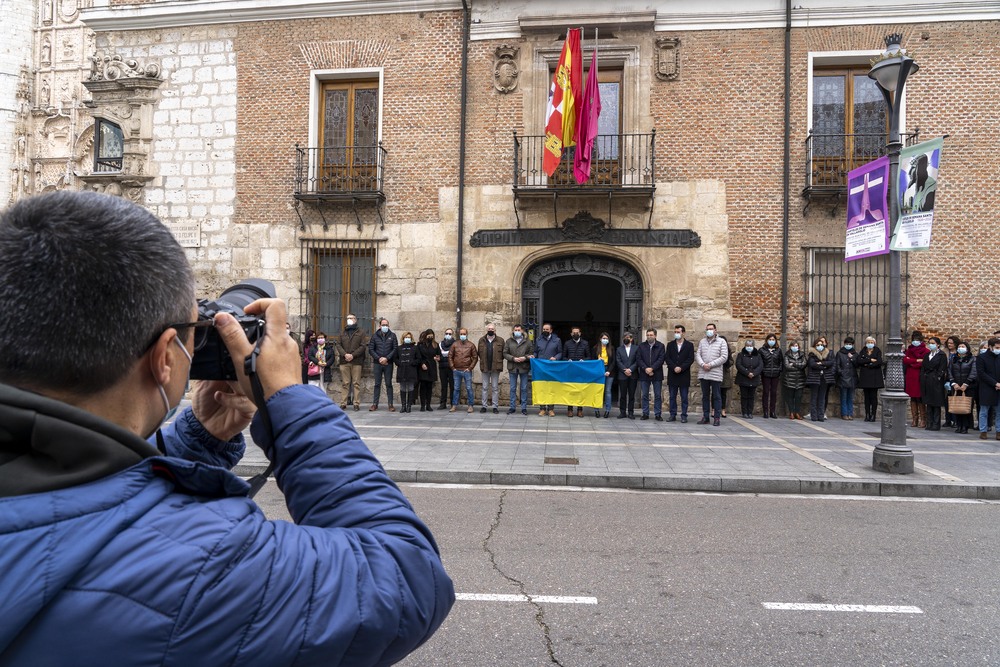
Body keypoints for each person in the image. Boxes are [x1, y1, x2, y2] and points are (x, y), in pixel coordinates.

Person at [0, 191, 453, 663]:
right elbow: (406, 576)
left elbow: (76, 494)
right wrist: (291, 402)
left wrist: (195, 442)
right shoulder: (204, 563)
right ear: (163, 359)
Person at [695, 323, 728, 426]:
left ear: (715, 330)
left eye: (711, 329)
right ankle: (705, 417)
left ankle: (717, 418)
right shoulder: (702, 341)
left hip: (715, 373)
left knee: (717, 396)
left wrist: (711, 365)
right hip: (703, 373)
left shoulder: (721, 342)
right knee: (705, 396)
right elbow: (698, 354)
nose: (709, 331)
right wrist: (702, 364)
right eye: (707, 329)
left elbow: (724, 357)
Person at [334, 313, 367, 411]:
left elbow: (363, 346)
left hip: (356, 361)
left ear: (355, 320)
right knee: (345, 383)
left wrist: (353, 355)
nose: (349, 320)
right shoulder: (342, 332)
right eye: (348, 318)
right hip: (344, 361)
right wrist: (345, 354)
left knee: (356, 383)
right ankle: (343, 403)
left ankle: (356, 403)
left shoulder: (361, 332)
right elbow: (338, 345)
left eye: (351, 318)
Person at [665, 324, 695, 423]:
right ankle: (672, 414)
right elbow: (667, 358)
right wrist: (674, 367)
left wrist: (681, 368)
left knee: (684, 397)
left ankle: (684, 415)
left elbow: (690, 359)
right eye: (675, 332)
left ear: (683, 333)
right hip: (673, 374)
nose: (676, 334)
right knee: (672, 396)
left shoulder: (689, 345)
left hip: (684, 375)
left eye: (678, 332)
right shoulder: (670, 345)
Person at [368, 317, 398, 412]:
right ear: (380, 326)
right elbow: (371, 349)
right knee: (377, 384)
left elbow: (395, 348)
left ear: (388, 326)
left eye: (386, 325)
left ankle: (390, 404)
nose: (385, 326)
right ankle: (375, 404)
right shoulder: (374, 336)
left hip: (388, 363)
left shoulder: (392, 336)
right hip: (377, 363)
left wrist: (387, 358)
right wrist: (379, 358)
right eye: (383, 325)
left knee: (388, 383)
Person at [919, 336, 948, 431]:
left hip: (936, 382)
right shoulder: (927, 355)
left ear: (938, 344)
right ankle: (929, 423)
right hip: (927, 380)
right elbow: (923, 367)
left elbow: (942, 369)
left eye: (933, 343)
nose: (931, 345)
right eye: (929, 343)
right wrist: (923, 377)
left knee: (936, 403)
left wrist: (937, 377)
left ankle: (936, 424)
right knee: (929, 403)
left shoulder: (941, 355)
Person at [948, 341, 976, 434]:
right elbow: (949, 371)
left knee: (966, 406)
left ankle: (965, 426)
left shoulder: (972, 359)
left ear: (967, 348)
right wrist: (953, 383)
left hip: (968, 386)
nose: (961, 348)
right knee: (957, 406)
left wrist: (966, 383)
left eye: (963, 346)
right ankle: (959, 425)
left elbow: (973, 372)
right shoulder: (953, 359)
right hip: (956, 385)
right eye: (959, 346)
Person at [534, 323, 562, 416]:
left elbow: (560, 353)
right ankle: (542, 408)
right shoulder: (538, 340)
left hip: (552, 368)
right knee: (542, 388)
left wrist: (556, 358)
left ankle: (551, 409)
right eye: (544, 329)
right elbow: (535, 352)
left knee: (551, 388)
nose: (545, 331)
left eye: (547, 329)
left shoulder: (557, 340)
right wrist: (533, 356)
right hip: (540, 368)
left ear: (551, 330)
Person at [637, 328, 665, 421]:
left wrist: (652, 368)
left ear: (655, 336)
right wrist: (646, 368)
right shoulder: (641, 346)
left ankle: (657, 414)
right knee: (644, 395)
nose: (649, 336)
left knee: (657, 395)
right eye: (648, 335)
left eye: (651, 335)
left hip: (656, 373)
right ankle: (645, 413)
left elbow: (661, 359)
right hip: (644, 373)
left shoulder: (661, 346)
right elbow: (639, 359)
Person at [854, 336, 884, 422]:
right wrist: (870, 360)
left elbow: (879, 362)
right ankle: (867, 414)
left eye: (871, 342)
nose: (870, 344)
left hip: (875, 377)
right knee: (866, 397)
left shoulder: (877, 351)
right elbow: (859, 361)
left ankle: (873, 415)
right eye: (868, 342)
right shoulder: (863, 351)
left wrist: (868, 364)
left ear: (874, 343)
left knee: (873, 397)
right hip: (865, 377)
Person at [504, 324, 532, 415]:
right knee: (512, 388)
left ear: (522, 331)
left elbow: (531, 353)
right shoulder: (509, 341)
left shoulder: (528, 342)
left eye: (518, 330)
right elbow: (505, 353)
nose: (517, 331)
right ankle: (512, 407)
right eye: (515, 330)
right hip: (513, 367)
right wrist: (513, 358)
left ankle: (524, 408)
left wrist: (525, 358)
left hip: (524, 367)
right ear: (513, 331)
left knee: (524, 388)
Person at [903, 330, 929, 428]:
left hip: (919, 376)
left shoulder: (925, 350)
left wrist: (912, 362)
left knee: (920, 398)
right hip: (910, 376)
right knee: (912, 398)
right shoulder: (909, 349)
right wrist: (916, 360)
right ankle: (915, 419)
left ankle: (923, 419)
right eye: (914, 339)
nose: (915, 341)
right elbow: (905, 360)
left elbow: (924, 362)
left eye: (917, 339)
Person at [449, 327, 478, 413]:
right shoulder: (454, 344)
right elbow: (450, 356)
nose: (462, 335)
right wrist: (452, 367)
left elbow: (475, 357)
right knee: (456, 388)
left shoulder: (471, 345)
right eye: (461, 334)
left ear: (467, 334)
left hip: (466, 370)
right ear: (459, 334)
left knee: (469, 388)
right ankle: (454, 405)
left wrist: (470, 368)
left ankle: (470, 406)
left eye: (464, 334)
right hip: (456, 370)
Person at [564, 326, 591, 417]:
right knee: (570, 390)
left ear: (580, 333)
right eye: (574, 332)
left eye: (577, 332)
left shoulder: (585, 343)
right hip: (570, 370)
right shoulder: (567, 343)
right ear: (571, 334)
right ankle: (570, 409)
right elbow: (564, 357)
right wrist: (567, 360)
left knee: (580, 390)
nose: (575, 334)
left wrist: (584, 360)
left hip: (581, 370)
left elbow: (589, 357)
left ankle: (580, 410)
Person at [976, 338, 1000, 440]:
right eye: (997, 347)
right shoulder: (982, 357)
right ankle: (983, 431)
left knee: (999, 412)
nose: (998, 349)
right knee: (984, 411)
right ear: (990, 347)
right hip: (987, 387)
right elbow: (981, 373)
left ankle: (999, 432)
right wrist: (995, 383)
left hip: (999, 388)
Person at [478, 324, 504, 414]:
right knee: (484, 387)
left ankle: (495, 406)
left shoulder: (500, 340)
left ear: (495, 330)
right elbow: (479, 353)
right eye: (489, 329)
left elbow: (503, 354)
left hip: (495, 368)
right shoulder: (481, 340)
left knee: (495, 388)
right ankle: (484, 406)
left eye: (492, 329)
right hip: (485, 367)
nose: (490, 330)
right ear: (486, 330)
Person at [806, 337, 834, 421]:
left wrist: (821, 363)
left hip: (824, 378)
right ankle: (814, 415)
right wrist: (824, 365)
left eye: (821, 345)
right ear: (815, 346)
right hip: (814, 378)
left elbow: (830, 362)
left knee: (822, 398)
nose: (820, 346)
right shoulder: (812, 354)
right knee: (814, 397)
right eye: (818, 345)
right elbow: (812, 364)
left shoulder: (827, 353)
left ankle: (821, 415)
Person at [735, 338, 763, 418]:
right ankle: (744, 412)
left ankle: (750, 412)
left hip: (754, 379)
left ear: (753, 346)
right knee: (744, 396)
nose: (749, 347)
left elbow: (760, 366)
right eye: (747, 345)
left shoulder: (758, 355)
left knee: (751, 396)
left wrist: (754, 373)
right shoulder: (741, 355)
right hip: (743, 378)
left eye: (750, 345)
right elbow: (738, 365)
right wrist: (747, 373)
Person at [758, 333, 783, 419]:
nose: (771, 341)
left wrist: (779, 369)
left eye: (773, 340)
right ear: (767, 340)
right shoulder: (762, 350)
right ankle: (765, 411)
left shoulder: (778, 350)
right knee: (765, 392)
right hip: (766, 373)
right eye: (770, 340)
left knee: (774, 392)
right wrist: (762, 370)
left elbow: (781, 361)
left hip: (775, 374)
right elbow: (760, 362)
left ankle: (772, 411)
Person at [593, 331, 617, 418]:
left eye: (606, 339)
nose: (605, 340)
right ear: (600, 339)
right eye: (603, 338)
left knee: (607, 391)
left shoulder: (612, 348)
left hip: (609, 371)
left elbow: (614, 361)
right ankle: (596, 410)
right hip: (598, 371)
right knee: (598, 390)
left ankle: (607, 410)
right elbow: (592, 361)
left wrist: (609, 371)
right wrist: (597, 361)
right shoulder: (595, 348)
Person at [834, 337, 859, 420]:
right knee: (843, 396)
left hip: (852, 377)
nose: (848, 345)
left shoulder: (855, 353)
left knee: (850, 397)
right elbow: (837, 365)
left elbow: (857, 365)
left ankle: (850, 413)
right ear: (844, 344)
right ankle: (844, 413)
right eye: (847, 344)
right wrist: (841, 373)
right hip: (843, 378)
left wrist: (852, 358)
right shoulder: (840, 353)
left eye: (850, 344)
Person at [615, 332, 639, 418]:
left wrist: (630, 369)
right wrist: (624, 370)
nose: (626, 338)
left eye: (628, 337)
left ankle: (631, 412)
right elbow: (618, 361)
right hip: (622, 375)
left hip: (633, 375)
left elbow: (637, 361)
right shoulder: (619, 349)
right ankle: (622, 412)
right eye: (624, 337)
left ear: (631, 339)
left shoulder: (636, 348)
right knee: (623, 395)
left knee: (632, 395)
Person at [415, 329, 440, 412]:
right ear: (426, 335)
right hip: (423, 366)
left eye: (431, 336)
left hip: (431, 367)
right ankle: (422, 405)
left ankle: (428, 405)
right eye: (429, 335)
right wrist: (422, 364)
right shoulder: (420, 345)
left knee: (429, 386)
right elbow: (418, 356)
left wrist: (437, 358)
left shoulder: (435, 345)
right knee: (423, 386)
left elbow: (439, 355)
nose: (430, 337)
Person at [395, 331, 419, 413]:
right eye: (406, 337)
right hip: (402, 369)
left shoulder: (415, 348)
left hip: (411, 369)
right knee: (402, 387)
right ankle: (403, 406)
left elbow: (418, 359)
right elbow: (396, 358)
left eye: (409, 337)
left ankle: (409, 406)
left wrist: (413, 363)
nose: (407, 339)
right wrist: (399, 363)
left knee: (410, 387)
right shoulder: (399, 348)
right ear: (403, 338)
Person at [783, 339, 807, 419]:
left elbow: (803, 364)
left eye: (796, 346)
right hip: (789, 379)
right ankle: (791, 412)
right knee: (790, 397)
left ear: (799, 347)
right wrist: (798, 366)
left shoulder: (802, 355)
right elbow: (787, 366)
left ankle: (797, 412)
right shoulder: (787, 355)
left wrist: (793, 363)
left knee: (798, 397)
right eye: (793, 346)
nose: (794, 347)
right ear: (790, 347)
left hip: (800, 379)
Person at [943, 335, 961, 427]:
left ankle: (955, 420)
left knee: (955, 399)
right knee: (947, 400)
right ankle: (948, 419)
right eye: (948, 343)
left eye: (951, 343)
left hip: (956, 379)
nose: (949, 345)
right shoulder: (945, 352)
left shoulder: (959, 353)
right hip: (946, 378)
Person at [437, 328, 455, 409]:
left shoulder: (455, 344)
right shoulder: (441, 343)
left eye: (450, 334)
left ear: (452, 335)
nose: (448, 335)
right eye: (447, 333)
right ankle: (443, 403)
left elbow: (453, 355)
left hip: (451, 367)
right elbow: (440, 354)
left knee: (452, 386)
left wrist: (445, 355)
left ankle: (452, 403)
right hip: (442, 367)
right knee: (443, 386)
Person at [718, 335, 735, 418]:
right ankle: (714, 409)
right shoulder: (716, 350)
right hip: (716, 372)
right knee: (715, 392)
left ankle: (723, 409)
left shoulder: (728, 351)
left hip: (725, 373)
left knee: (723, 393)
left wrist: (727, 362)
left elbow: (732, 361)